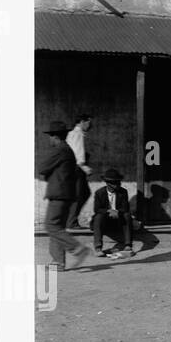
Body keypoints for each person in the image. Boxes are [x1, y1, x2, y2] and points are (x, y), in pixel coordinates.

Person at [39, 120, 94, 271]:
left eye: (50, 136)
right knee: (58, 227)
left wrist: (49, 172)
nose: (50, 139)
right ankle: (58, 262)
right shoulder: (67, 150)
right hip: (65, 194)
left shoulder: (60, 150)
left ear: (55, 136)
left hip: (59, 194)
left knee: (51, 226)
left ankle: (78, 249)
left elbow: (42, 168)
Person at [91, 167, 135, 258]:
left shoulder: (123, 192)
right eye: (115, 182)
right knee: (98, 216)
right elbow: (97, 209)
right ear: (108, 183)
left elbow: (125, 208)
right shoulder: (99, 193)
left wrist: (117, 211)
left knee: (127, 215)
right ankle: (98, 248)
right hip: (105, 220)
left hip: (119, 220)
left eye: (118, 182)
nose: (118, 184)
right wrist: (109, 211)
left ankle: (128, 245)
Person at [64, 114, 93, 229]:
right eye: (89, 123)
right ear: (82, 121)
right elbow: (77, 154)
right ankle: (71, 222)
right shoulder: (77, 134)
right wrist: (84, 167)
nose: (90, 126)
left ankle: (71, 220)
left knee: (84, 193)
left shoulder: (73, 134)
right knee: (79, 194)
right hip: (77, 168)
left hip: (75, 168)